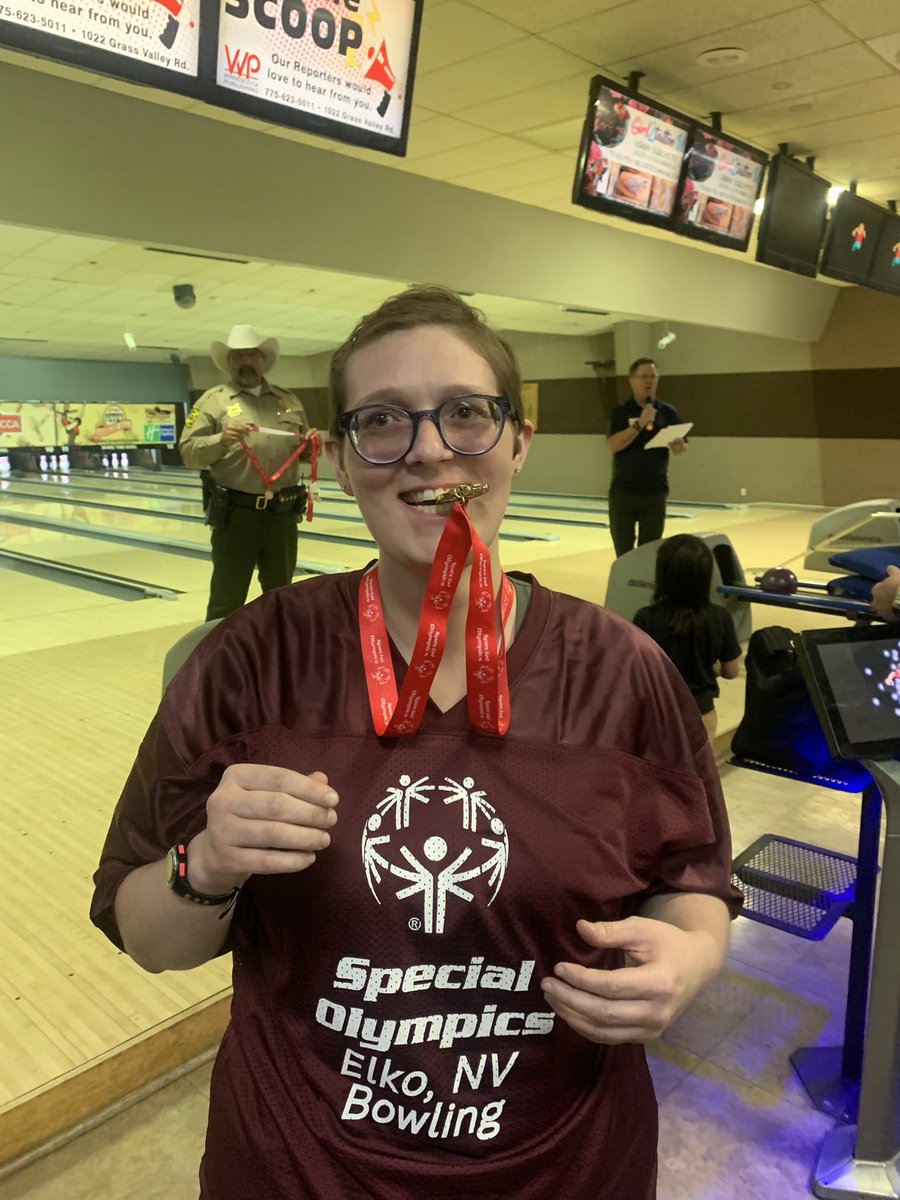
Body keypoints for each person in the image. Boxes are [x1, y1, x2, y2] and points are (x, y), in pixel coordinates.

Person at [91, 287, 739, 1200]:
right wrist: (209, 861)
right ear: (344, 461)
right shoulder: (251, 662)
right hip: (298, 1173)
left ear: (517, 439)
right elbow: (149, 938)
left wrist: (689, 960)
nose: (430, 448)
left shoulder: (623, 673)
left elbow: (693, 885)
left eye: (467, 413)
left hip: (568, 1171)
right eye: (384, 421)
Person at [180, 324, 315, 620]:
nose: (246, 361)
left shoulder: (288, 400)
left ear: (263, 359)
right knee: (227, 601)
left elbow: (304, 453)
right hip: (236, 516)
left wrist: (310, 447)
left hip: (282, 515)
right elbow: (188, 452)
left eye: (252, 354)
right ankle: (218, 662)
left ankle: (277, 657)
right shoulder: (212, 401)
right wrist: (221, 439)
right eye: (238, 355)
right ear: (229, 361)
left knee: (281, 596)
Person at [633, 534, 742, 744]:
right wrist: (713, 667)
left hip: (658, 714)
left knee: (660, 772)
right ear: (706, 576)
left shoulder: (646, 617)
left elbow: (637, 673)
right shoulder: (720, 617)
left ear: (662, 575)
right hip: (701, 714)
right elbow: (731, 672)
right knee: (698, 774)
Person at [606, 357, 687, 557]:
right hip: (624, 494)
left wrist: (679, 445)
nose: (649, 381)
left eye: (653, 376)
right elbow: (613, 445)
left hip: (655, 493)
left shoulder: (668, 412)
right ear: (632, 381)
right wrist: (639, 424)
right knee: (623, 554)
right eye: (644, 376)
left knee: (649, 555)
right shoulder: (620, 411)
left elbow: (682, 446)